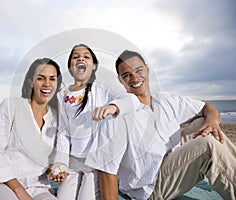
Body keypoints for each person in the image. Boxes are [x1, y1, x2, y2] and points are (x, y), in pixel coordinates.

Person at [85, 50, 236, 200]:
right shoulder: (116, 114)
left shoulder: (165, 101)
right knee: (207, 144)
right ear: (120, 80)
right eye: (127, 75)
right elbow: (106, 169)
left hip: (169, 158)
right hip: (150, 187)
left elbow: (207, 108)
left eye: (138, 70)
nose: (135, 78)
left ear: (147, 69)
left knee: (204, 124)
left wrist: (213, 121)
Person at [50, 44, 140, 200]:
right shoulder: (62, 94)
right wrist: (61, 162)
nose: (81, 59)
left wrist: (113, 107)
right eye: (76, 57)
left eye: (86, 56)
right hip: (72, 162)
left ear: (93, 65)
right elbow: (63, 131)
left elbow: (132, 100)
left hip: (94, 163)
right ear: (71, 66)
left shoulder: (103, 87)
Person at [0, 58, 62, 200]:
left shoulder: (57, 117)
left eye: (52, 79)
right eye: (40, 78)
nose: (47, 84)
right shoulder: (11, 106)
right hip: (3, 182)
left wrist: (54, 169)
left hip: (38, 186)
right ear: (30, 81)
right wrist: (19, 190)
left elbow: (48, 159)